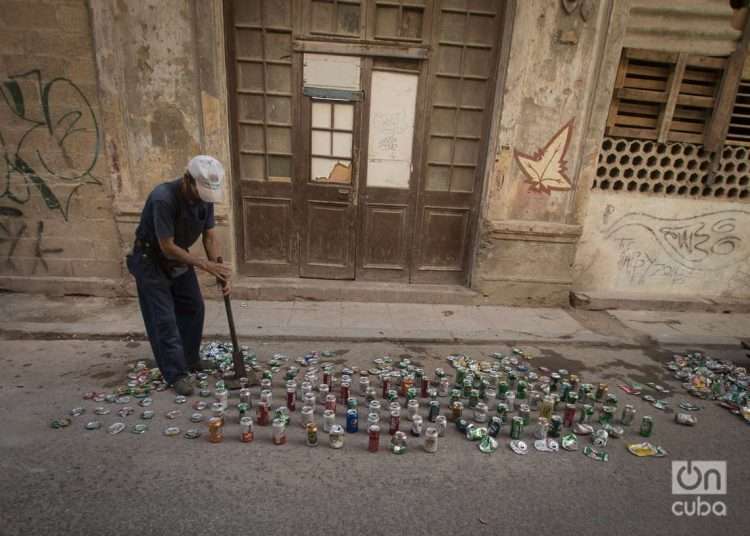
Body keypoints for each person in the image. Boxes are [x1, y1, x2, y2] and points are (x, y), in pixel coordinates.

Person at [126, 155, 232, 396]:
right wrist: (205, 265)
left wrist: (218, 267)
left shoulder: (207, 196)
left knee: (194, 306)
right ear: (187, 180)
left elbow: (209, 235)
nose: (202, 199)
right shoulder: (163, 198)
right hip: (151, 259)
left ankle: (190, 359)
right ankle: (176, 374)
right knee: (164, 319)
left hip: (180, 257)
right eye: (199, 192)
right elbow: (167, 246)